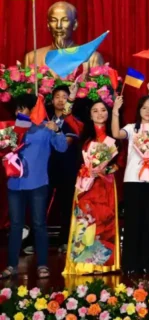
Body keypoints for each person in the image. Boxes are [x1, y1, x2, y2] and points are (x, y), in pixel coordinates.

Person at [3, 94, 68, 279]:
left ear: (32, 109)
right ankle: (11, 265)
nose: (19, 111)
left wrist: (57, 130)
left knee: (39, 224)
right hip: (15, 184)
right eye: (17, 108)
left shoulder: (45, 128)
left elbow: (62, 148)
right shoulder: (11, 130)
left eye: (22, 108)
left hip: (38, 183)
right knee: (16, 225)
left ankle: (42, 265)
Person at [64, 99, 120, 275]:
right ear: (89, 115)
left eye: (103, 110)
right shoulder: (83, 131)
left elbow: (121, 162)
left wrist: (105, 170)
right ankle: (83, 265)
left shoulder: (114, 134)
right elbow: (67, 115)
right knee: (85, 222)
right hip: (85, 184)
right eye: (95, 110)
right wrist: (71, 98)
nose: (99, 114)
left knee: (104, 223)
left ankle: (103, 265)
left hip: (105, 184)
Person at [112, 94, 149, 275]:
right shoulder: (131, 128)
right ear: (139, 110)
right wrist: (115, 111)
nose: (148, 111)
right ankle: (130, 263)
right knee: (133, 222)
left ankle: (148, 263)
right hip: (133, 180)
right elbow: (116, 134)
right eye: (144, 108)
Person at [44, 85, 78, 253]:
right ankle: (35, 241)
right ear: (52, 100)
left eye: (64, 97)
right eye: (57, 96)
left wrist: (56, 131)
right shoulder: (44, 119)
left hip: (67, 168)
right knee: (41, 205)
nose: (60, 100)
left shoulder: (72, 121)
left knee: (66, 206)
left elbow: (66, 144)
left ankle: (64, 241)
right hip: (46, 168)